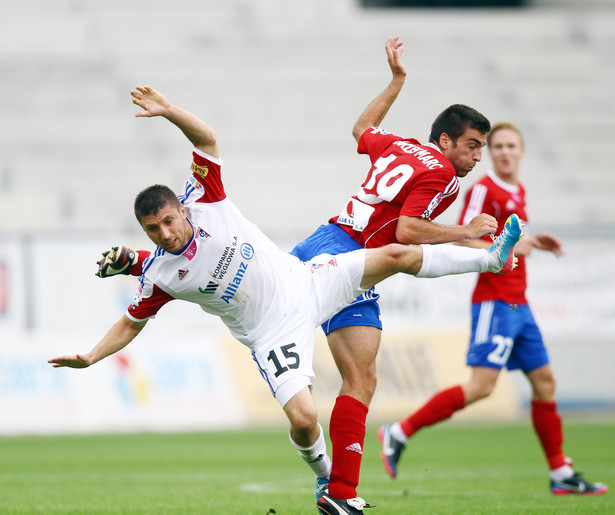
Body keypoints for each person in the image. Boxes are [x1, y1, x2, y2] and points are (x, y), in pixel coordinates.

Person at [49, 85, 522, 515]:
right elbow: (130, 324)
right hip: (271, 333)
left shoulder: (205, 199)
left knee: (394, 254)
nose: (166, 232)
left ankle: (492, 260)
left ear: (181, 207)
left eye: (169, 220)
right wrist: (91, 356)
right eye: (153, 231)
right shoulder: (162, 274)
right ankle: (326, 482)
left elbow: (207, 139)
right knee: (302, 420)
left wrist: (170, 110)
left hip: (307, 278)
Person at [377, 122, 608, 496]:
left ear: (521, 151)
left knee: (545, 382)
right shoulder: (484, 189)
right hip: (495, 302)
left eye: (509, 145)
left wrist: (533, 242)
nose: (502, 152)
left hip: (520, 303)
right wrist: (501, 249)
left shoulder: (519, 190)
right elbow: (468, 238)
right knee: (482, 387)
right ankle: (399, 431)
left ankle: (560, 472)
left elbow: (509, 239)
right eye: (496, 146)